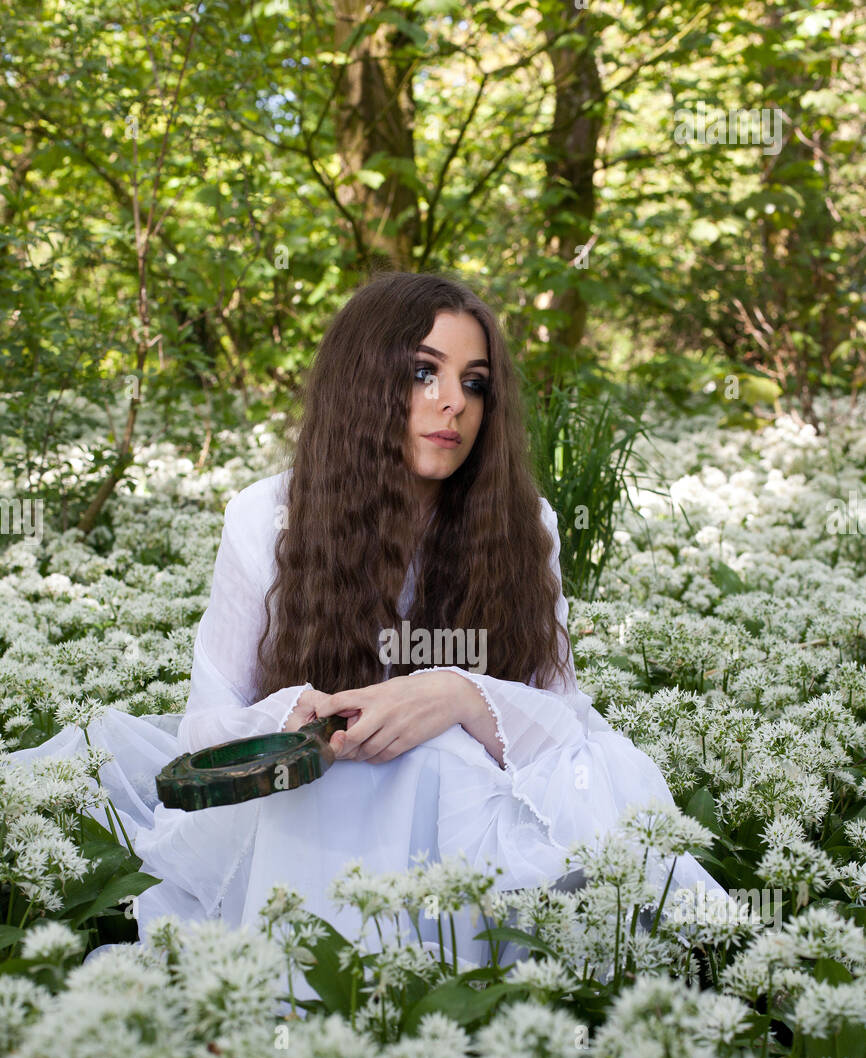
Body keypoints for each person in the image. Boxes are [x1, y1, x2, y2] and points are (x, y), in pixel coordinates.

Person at [8, 270, 728, 992]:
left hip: (470, 833)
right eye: (423, 373)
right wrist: (302, 719)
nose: (452, 403)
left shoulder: (521, 522)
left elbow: (565, 731)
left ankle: (459, 999)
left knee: (442, 753)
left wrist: (454, 695)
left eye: (474, 383)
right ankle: (321, 999)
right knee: (364, 768)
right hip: (307, 824)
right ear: (363, 382)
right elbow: (205, 732)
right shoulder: (269, 518)